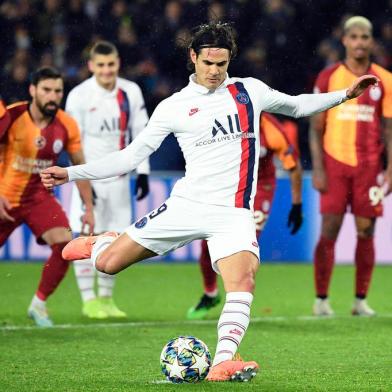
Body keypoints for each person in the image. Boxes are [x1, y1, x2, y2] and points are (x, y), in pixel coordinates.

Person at [41, 22, 377, 382]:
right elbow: (130, 156)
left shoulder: (250, 91)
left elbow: (297, 106)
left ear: (230, 59)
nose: (215, 71)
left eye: (222, 63)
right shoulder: (174, 107)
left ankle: (221, 362)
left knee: (243, 280)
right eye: (207, 63)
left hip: (232, 214)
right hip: (186, 205)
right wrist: (72, 173)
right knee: (107, 265)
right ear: (193, 58)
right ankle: (101, 244)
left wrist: (345, 94)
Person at [309, 16, 392, 317]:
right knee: (329, 229)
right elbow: (316, 127)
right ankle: (321, 299)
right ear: (344, 40)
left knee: (366, 231)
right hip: (334, 164)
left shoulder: (385, 79)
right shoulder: (328, 77)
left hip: (369, 167)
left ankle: (360, 301)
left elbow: (389, 129)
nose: (359, 42)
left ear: (371, 41)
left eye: (364, 37)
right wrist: (318, 168)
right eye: (354, 36)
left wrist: (390, 168)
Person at [0, 67, 94, 327]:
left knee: (65, 243)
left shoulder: (66, 124)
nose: (53, 96)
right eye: (47, 90)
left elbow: (79, 167)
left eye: (58, 91)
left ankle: (39, 304)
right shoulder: (12, 115)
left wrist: (88, 208)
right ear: (33, 90)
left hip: (39, 197)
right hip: (5, 197)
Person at [187, 113, 303, 320]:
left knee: (246, 246)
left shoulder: (271, 128)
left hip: (260, 188)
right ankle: (210, 293)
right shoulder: (224, 120)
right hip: (228, 187)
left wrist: (297, 204)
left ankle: (237, 303)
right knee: (207, 244)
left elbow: (293, 165)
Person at [65, 41, 150, 319]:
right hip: (90, 179)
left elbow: (142, 134)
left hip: (119, 181)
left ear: (118, 64)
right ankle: (88, 300)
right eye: (100, 65)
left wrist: (144, 173)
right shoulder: (78, 96)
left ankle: (106, 299)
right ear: (91, 66)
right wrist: (84, 183)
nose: (106, 70)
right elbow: (73, 143)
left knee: (116, 239)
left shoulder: (131, 92)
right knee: (86, 236)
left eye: (110, 65)